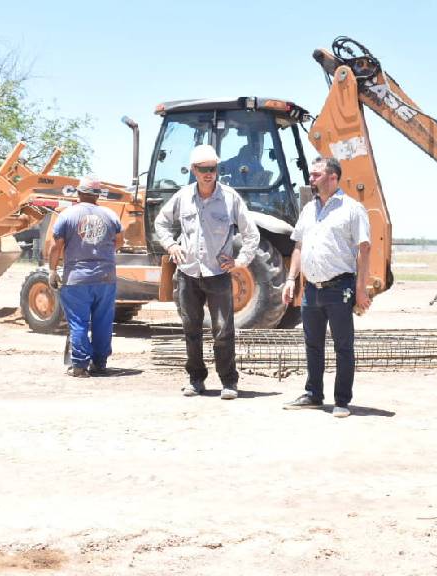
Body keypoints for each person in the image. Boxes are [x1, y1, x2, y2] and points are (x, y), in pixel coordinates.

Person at [154, 144, 259, 400]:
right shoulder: (182, 197)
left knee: (223, 329)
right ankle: (196, 380)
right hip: (188, 274)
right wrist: (171, 245)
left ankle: (229, 382)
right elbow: (161, 222)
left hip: (218, 275)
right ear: (194, 170)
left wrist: (239, 261)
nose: (208, 173)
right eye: (203, 169)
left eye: (212, 168)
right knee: (191, 328)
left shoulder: (230, 198)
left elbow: (251, 234)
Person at [281, 157, 371, 418]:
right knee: (312, 344)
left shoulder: (352, 209)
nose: (311, 179)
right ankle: (313, 394)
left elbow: (364, 249)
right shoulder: (309, 210)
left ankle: (342, 400)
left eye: (317, 175)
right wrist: (290, 279)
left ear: (333, 178)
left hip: (339, 288)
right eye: (311, 174)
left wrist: (361, 289)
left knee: (343, 345)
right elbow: (298, 245)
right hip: (312, 289)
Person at [48, 175, 124, 377]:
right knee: (103, 321)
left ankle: (80, 366)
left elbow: (56, 247)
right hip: (106, 278)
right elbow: (120, 241)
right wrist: (103, 255)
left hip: (77, 279)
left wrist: (53, 270)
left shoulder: (67, 215)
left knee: (78, 322)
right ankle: (99, 363)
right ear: (98, 195)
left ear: (79, 192)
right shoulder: (111, 215)